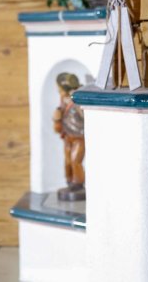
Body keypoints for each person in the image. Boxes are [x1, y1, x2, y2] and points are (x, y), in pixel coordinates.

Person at [52, 72, 85, 201]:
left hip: (79, 136)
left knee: (75, 160)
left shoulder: (76, 100)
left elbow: (85, 116)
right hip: (67, 136)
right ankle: (70, 181)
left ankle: (78, 183)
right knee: (68, 161)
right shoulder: (63, 99)